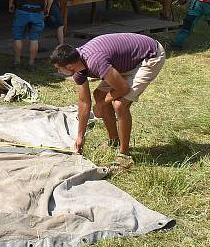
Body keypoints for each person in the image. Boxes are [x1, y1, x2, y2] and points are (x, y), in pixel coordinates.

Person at [49, 33, 166, 166]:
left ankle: (124, 155)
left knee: (120, 105)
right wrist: (80, 137)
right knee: (99, 94)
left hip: (149, 55)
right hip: (126, 61)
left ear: (69, 66)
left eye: (59, 68)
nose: (58, 72)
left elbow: (123, 89)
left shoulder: (95, 61)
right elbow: (84, 102)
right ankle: (113, 141)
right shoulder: (79, 68)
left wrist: (101, 105)